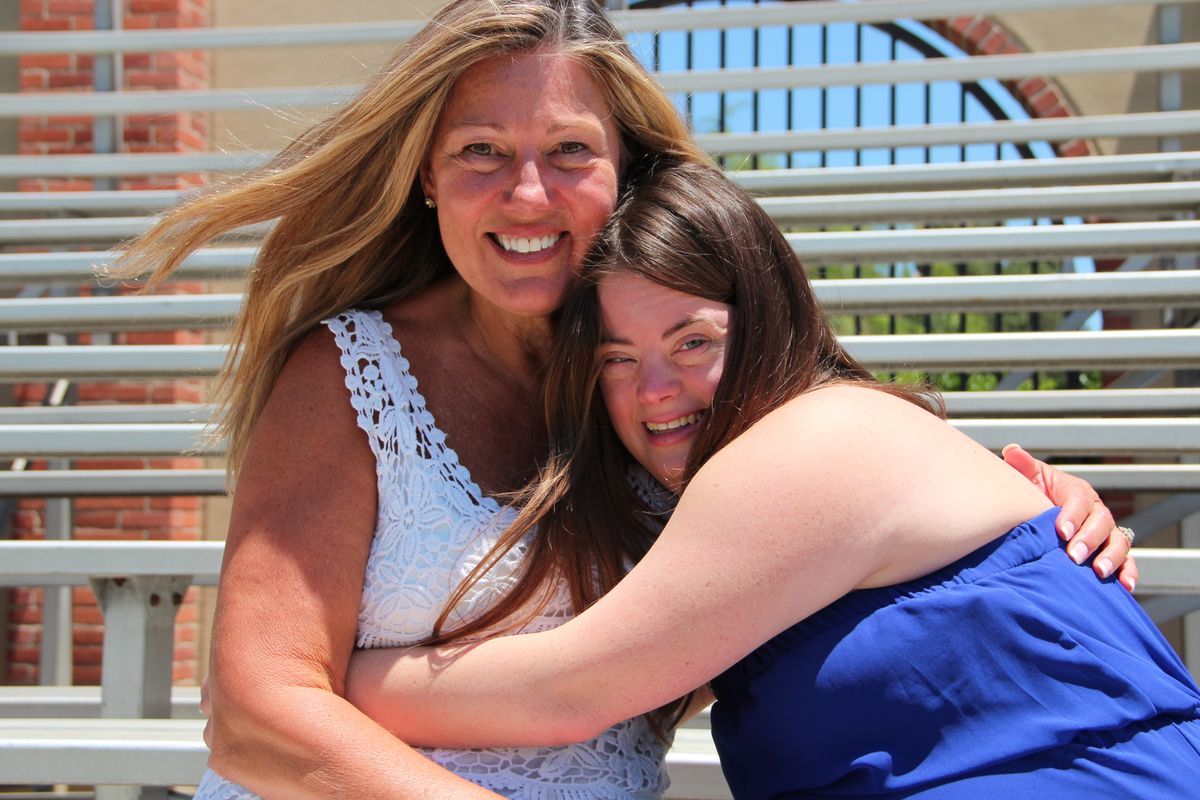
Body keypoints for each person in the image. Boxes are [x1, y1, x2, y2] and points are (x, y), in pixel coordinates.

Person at [115, 0, 1132, 796]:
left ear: (624, 172)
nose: (526, 194)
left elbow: (866, 472)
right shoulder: (347, 371)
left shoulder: (679, 378)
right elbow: (254, 709)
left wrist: (1047, 515)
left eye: (568, 153)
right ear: (425, 176)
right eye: (481, 152)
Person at [344, 159, 1199, 798]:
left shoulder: (810, 439)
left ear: (768, 321)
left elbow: (570, 692)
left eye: (692, 342)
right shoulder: (773, 486)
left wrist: (317, 685)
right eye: (617, 359)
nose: (653, 392)